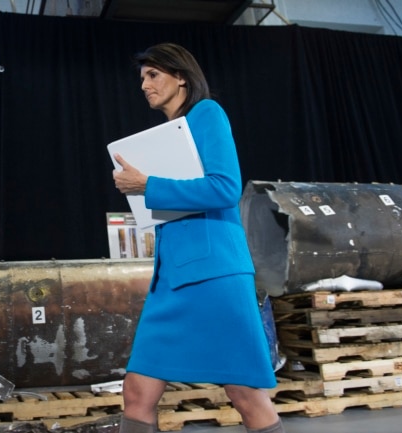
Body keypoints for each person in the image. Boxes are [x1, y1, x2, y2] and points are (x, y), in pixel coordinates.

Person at [112, 43, 285, 433]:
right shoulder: (167, 135)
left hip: (214, 276)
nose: (144, 85)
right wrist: (143, 190)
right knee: (137, 391)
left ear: (181, 77)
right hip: (172, 280)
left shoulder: (207, 113)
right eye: (142, 78)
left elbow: (225, 188)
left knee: (245, 394)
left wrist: (147, 184)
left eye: (153, 75)